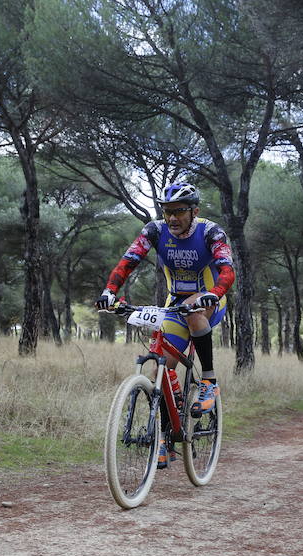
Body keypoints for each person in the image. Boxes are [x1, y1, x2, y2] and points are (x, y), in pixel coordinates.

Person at [95, 181, 235, 468]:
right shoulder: (155, 231)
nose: (172, 218)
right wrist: (110, 291)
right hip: (175, 303)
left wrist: (214, 294)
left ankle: (208, 381)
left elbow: (227, 270)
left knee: (195, 311)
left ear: (194, 211)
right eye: (167, 211)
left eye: (179, 212)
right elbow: (129, 260)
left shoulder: (211, 232)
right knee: (161, 366)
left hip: (209, 300)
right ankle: (165, 434)